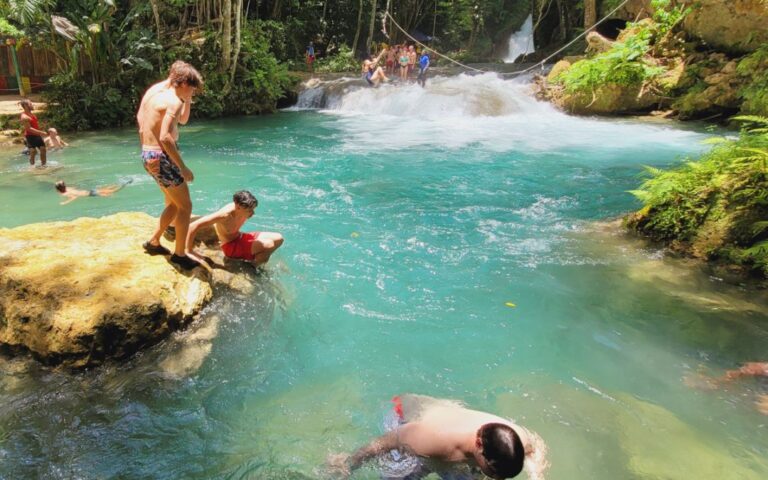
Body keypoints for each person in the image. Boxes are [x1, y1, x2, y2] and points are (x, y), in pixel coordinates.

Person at [328, 394, 548, 480]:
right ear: (478, 444)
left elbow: (536, 447)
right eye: (493, 471)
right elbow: (383, 443)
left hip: (443, 415)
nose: (497, 478)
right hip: (405, 419)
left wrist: (537, 476)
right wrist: (348, 464)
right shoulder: (430, 440)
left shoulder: (517, 437)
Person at [137, 62, 203, 270]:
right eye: (191, 88)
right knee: (186, 206)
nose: (192, 91)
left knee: (175, 204)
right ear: (182, 82)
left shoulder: (155, 93)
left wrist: (149, 153)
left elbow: (142, 120)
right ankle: (179, 255)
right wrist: (182, 167)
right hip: (163, 155)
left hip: (149, 153)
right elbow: (166, 137)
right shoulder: (173, 101)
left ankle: (154, 241)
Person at [186, 190, 284, 266]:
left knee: (279, 238)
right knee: (269, 245)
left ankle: (257, 258)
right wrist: (188, 251)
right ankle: (252, 266)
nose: (253, 213)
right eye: (250, 210)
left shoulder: (243, 210)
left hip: (240, 236)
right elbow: (193, 225)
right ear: (238, 207)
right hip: (231, 246)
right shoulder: (224, 216)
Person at [55, 179, 132, 205]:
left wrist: (65, 202)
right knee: (107, 189)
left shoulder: (65, 193)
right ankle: (121, 183)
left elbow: (74, 197)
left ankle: (124, 184)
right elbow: (75, 189)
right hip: (90, 191)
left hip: (91, 194)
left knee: (113, 191)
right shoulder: (68, 189)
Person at [19, 99, 47, 168]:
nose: (32, 105)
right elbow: (29, 129)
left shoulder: (32, 114)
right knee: (33, 151)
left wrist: (41, 129)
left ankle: (44, 166)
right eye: (30, 104)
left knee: (43, 149)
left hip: (37, 135)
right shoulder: (24, 117)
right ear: (25, 106)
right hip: (30, 136)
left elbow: (34, 125)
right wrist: (41, 132)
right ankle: (32, 167)